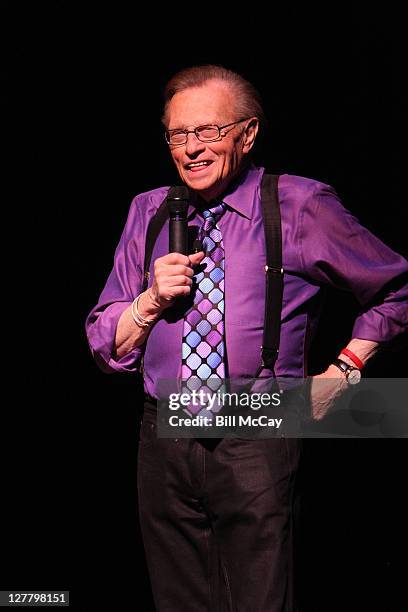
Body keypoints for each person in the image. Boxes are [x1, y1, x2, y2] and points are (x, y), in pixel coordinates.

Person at [85, 65, 408, 611]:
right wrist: (149, 301)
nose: (191, 148)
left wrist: (347, 367)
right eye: (178, 134)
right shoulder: (149, 209)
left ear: (248, 134)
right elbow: (104, 344)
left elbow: (394, 288)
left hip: (259, 423)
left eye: (209, 131)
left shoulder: (299, 205)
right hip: (164, 427)